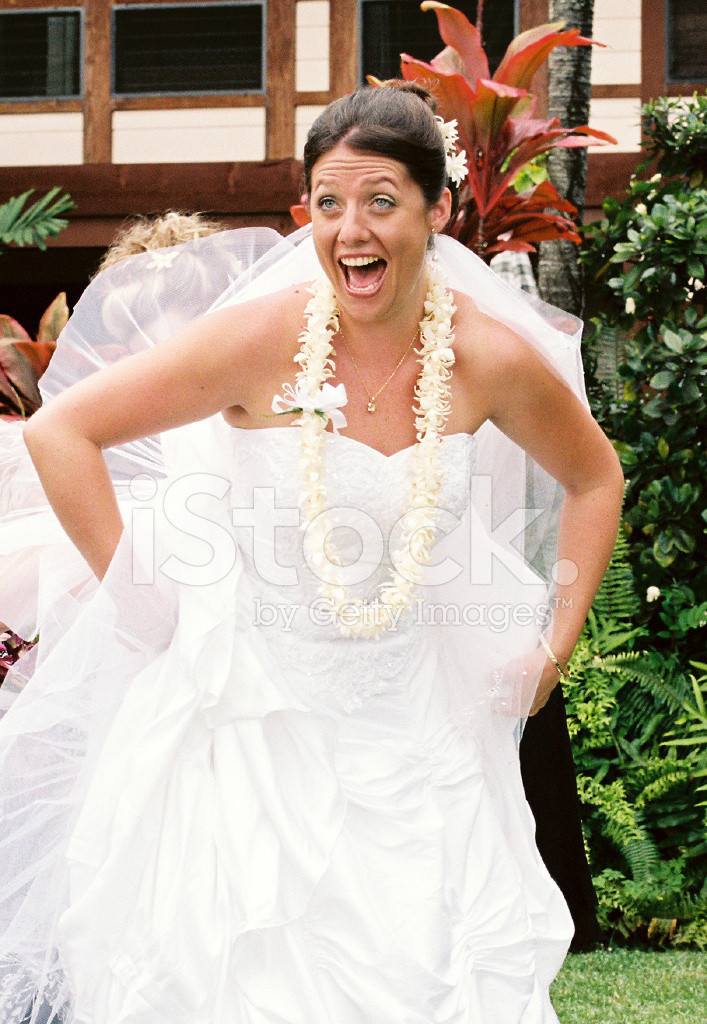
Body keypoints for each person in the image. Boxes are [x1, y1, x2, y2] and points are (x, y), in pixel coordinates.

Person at [0, 84, 624, 1024]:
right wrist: (145, 606)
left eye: (380, 201)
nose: (349, 230)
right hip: (252, 729)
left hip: (422, 733)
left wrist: (551, 652)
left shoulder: (487, 358)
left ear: (438, 208)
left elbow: (594, 480)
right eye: (328, 203)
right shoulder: (265, 335)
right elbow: (62, 435)